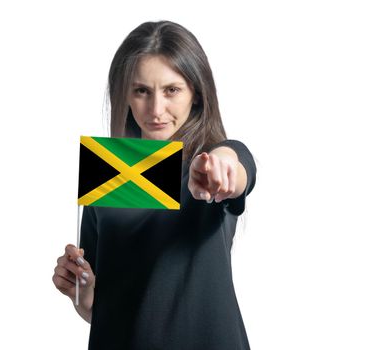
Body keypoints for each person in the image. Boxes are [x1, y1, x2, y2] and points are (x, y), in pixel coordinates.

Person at [52, 20, 257, 349]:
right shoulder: (109, 174)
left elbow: (238, 166)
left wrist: (224, 168)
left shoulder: (207, 167)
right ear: (126, 95)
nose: (156, 109)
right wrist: (85, 294)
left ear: (196, 93)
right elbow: (106, 307)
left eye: (171, 90)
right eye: (142, 90)